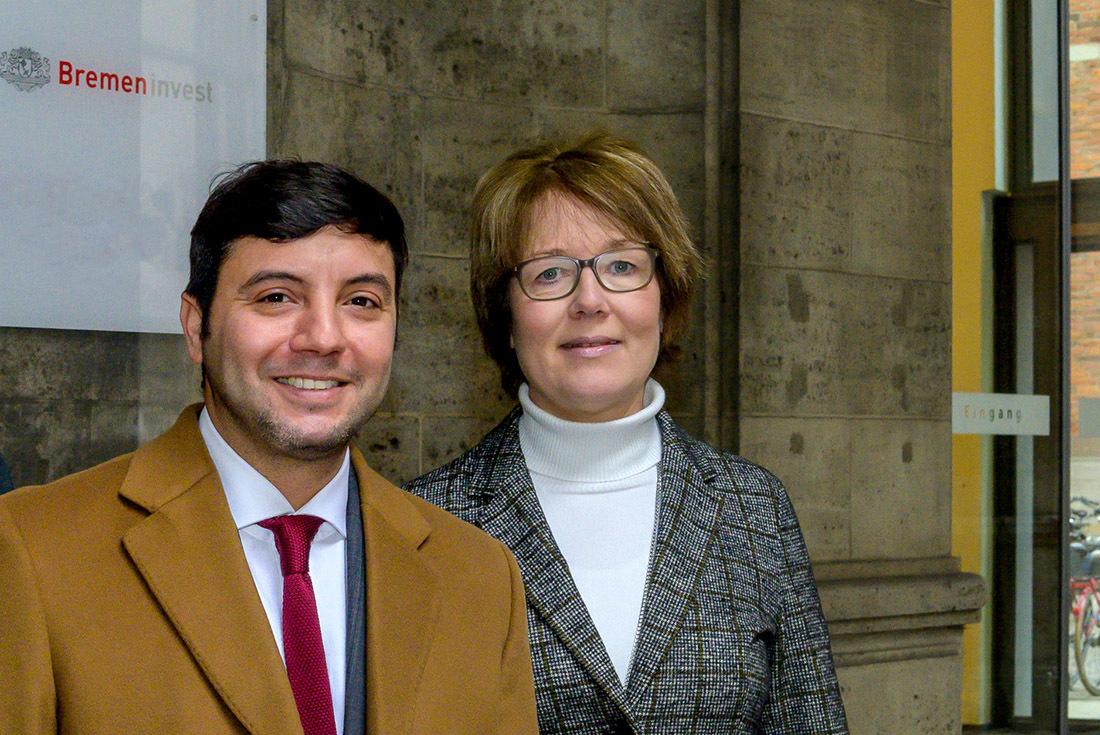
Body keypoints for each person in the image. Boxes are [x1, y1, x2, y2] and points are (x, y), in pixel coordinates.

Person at [0, 160, 538, 735]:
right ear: (194, 326)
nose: (324, 339)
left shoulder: (479, 577)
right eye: (278, 297)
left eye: (361, 302)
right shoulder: (36, 550)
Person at [406, 134, 849, 733]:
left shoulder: (752, 505)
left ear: (664, 300)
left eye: (621, 266)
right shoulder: (430, 522)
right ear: (505, 316)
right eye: (550, 272)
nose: (590, 300)